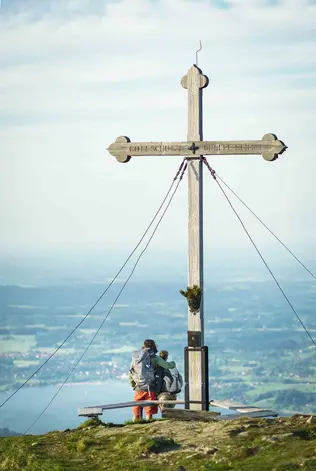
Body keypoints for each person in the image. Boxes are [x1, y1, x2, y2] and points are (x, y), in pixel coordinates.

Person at [130, 339, 175, 421]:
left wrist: (134, 384)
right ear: (154, 346)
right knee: (149, 412)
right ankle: (148, 426)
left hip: (138, 387)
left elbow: (131, 372)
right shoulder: (155, 358)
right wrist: (173, 364)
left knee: (136, 410)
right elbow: (166, 365)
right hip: (151, 387)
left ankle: (135, 424)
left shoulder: (137, 358)